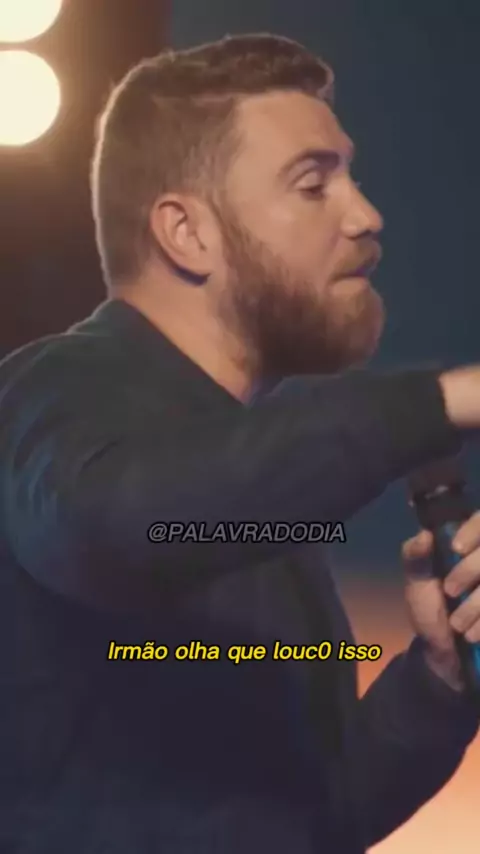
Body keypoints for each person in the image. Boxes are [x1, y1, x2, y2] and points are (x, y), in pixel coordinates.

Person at [2, 32, 480, 854]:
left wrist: (436, 679)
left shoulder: (246, 480)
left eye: (352, 176)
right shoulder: (57, 393)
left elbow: (299, 821)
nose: (365, 215)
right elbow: (109, 524)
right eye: (313, 184)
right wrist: (438, 400)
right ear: (187, 233)